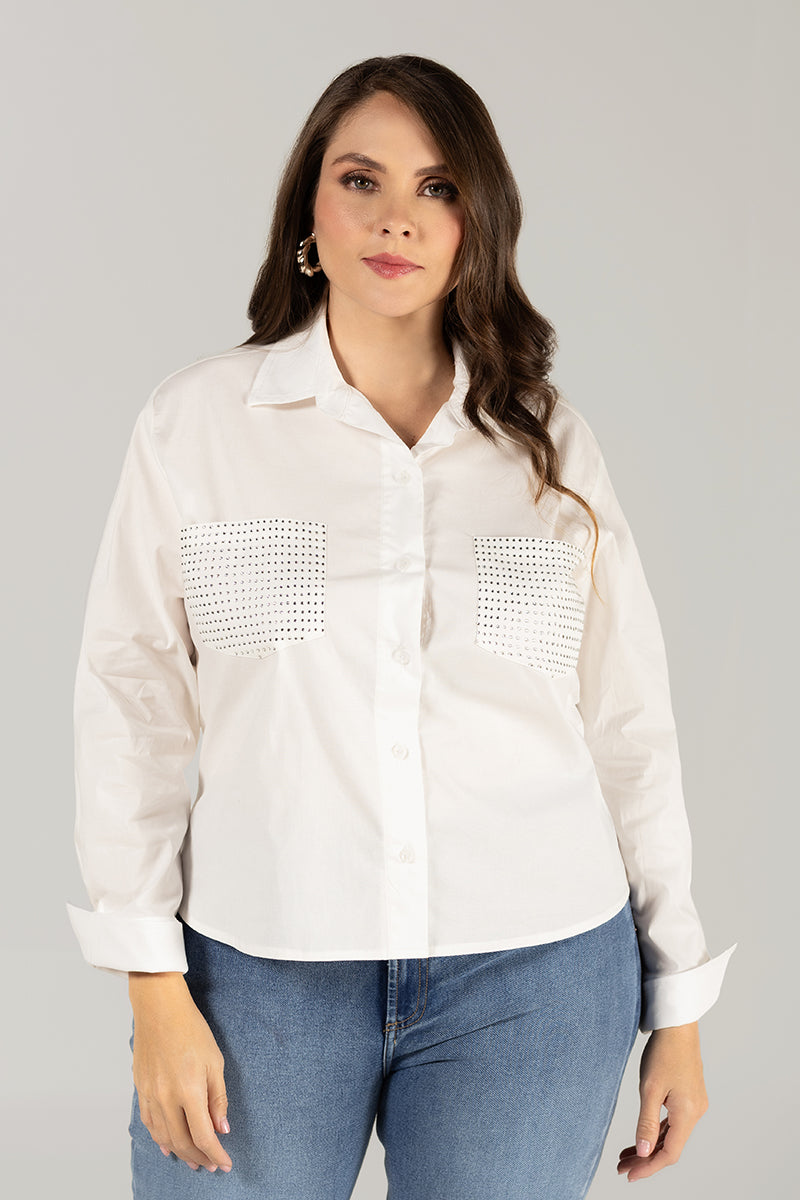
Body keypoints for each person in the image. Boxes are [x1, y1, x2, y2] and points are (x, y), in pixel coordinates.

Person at [67, 54, 735, 1199]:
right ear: (307, 214)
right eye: (360, 179)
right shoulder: (200, 426)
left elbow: (626, 725)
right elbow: (129, 706)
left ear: (478, 223)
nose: (396, 218)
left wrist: (674, 1003)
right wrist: (151, 982)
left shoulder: (546, 443)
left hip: (533, 972)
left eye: (437, 187)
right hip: (259, 968)